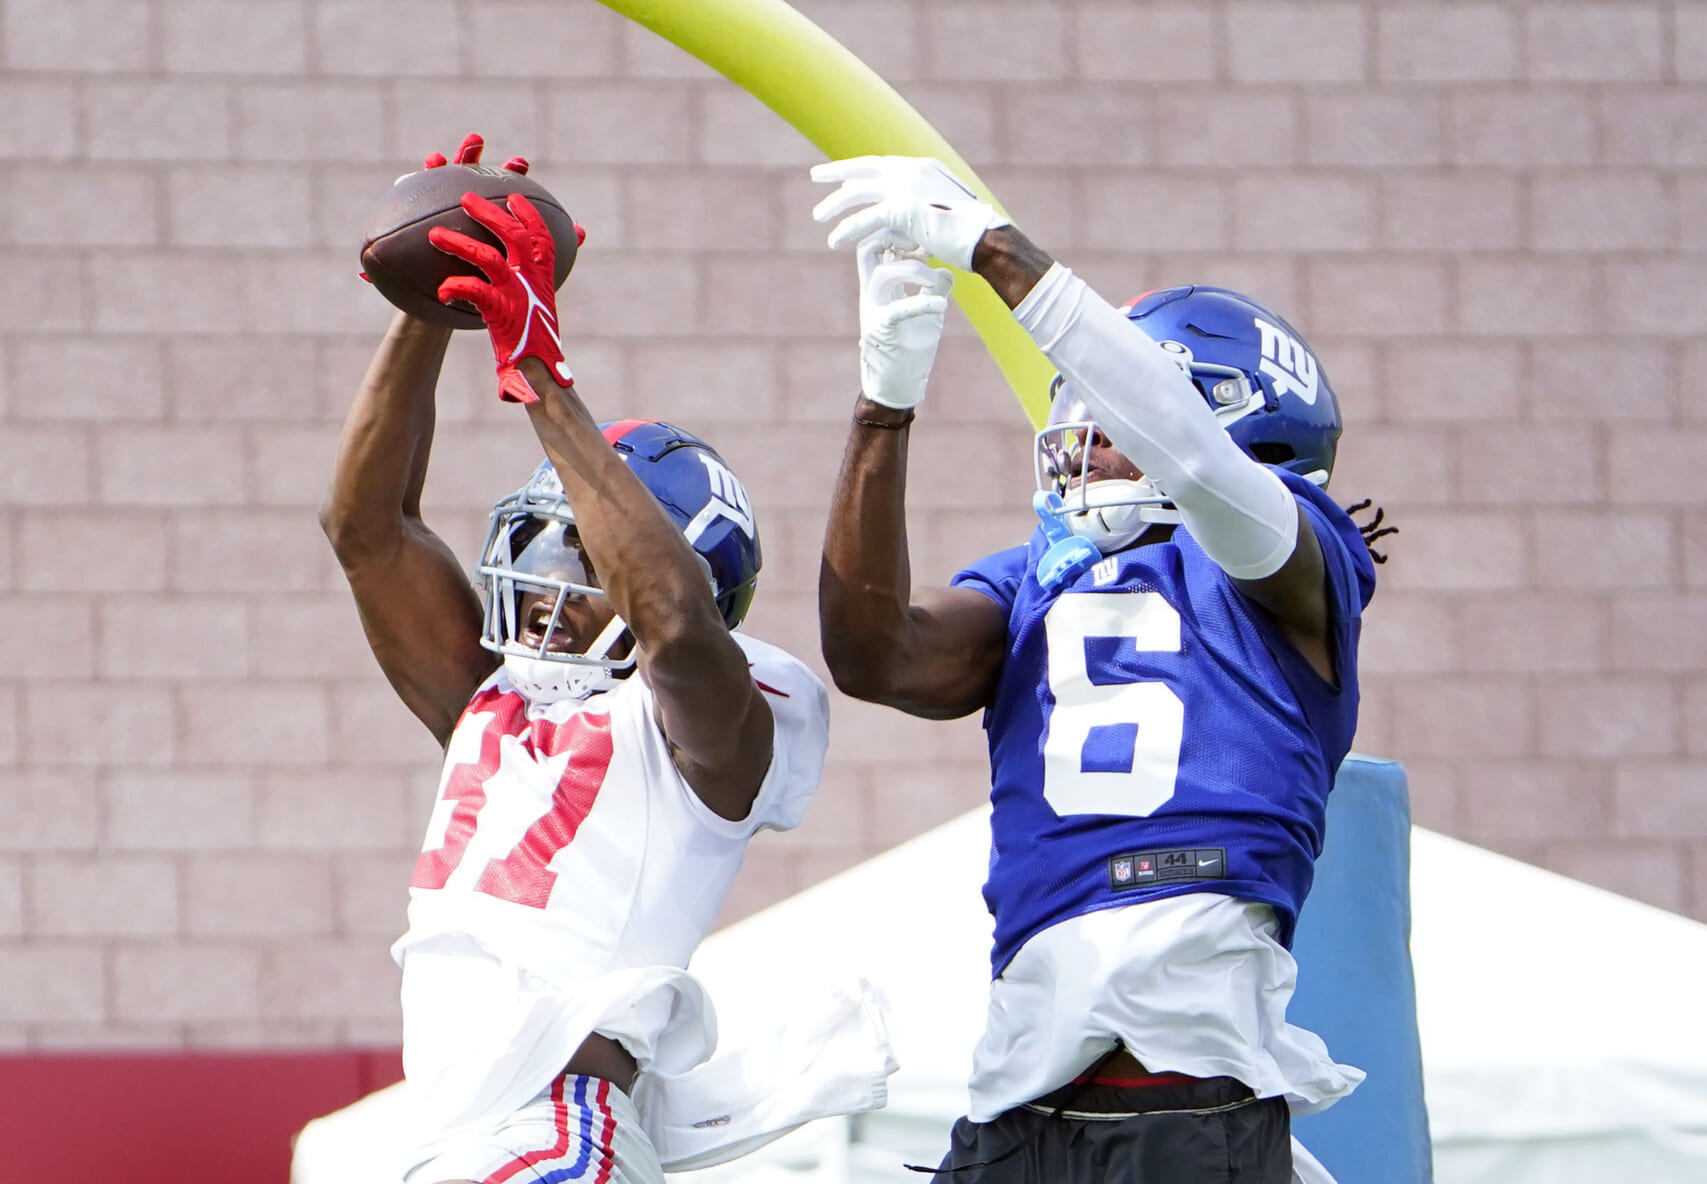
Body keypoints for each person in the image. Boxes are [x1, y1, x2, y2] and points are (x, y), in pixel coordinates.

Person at [810, 155, 1389, 1183]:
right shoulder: (1038, 576)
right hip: (1020, 1093)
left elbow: (1204, 466)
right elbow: (875, 654)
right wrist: (883, 400)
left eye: (1118, 402)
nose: (1085, 428)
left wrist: (998, 249)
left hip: (1188, 1085)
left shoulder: (1294, 560)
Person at [320, 135, 865, 1184]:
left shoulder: (713, 729)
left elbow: (668, 616)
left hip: (553, 1131)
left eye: (583, 545)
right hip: (455, 1135)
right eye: (538, 540)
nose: (549, 579)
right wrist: (436, 300)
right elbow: (367, 527)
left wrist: (538, 370)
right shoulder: (491, 699)